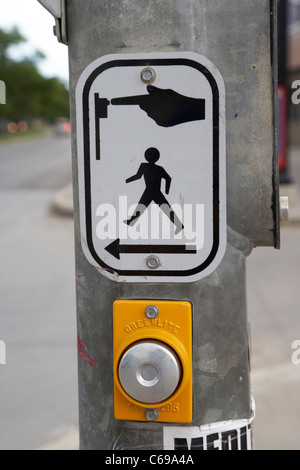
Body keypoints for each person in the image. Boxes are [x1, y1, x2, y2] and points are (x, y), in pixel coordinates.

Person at [124, 147, 184, 234]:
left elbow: (168, 178)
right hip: (151, 191)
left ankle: (179, 225)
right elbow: (168, 178)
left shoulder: (149, 167)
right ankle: (131, 221)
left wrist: (166, 191)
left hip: (154, 192)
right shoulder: (151, 167)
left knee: (148, 206)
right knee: (142, 206)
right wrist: (127, 180)